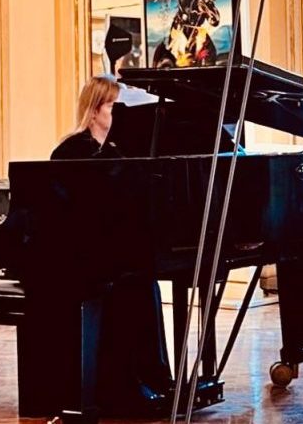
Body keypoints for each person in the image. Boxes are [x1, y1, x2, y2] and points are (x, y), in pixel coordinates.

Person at [50, 74, 173, 415]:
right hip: (78, 253)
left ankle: (153, 377)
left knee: (144, 279)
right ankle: (122, 385)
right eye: (114, 108)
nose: (121, 116)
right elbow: (76, 213)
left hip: (108, 249)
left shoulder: (121, 151)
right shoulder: (72, 151)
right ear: (94, 110)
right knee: (131, 283)